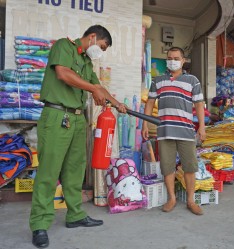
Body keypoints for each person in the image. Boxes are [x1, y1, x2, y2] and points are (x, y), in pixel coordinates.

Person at [29, 25, 127, 248]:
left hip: (76, 118)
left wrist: (116, 102)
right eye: (101, 47)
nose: (100, 52)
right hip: (56, 115)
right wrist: (94, 91)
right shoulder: (64, 46)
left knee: (75, 170)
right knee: (49, 171)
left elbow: (97, 86)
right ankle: (39, 224)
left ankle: (74, 215)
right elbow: (63, 73)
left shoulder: (86, 62)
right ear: (92, 37)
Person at [141, 47, 206, 216]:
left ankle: (191, 201)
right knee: (167, 167)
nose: (172, 60)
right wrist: (145, 124)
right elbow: (150, 102)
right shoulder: (158, 80)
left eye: (176, 58)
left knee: (190, 167)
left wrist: (202, 127)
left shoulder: (192, 80)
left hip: (186, 130)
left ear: (183, 60)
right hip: (165, 130)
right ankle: (171, 198)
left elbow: (199, 104)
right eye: (169, 58)